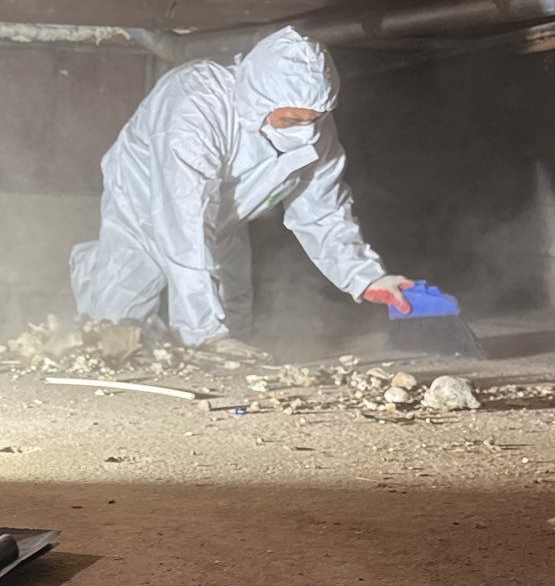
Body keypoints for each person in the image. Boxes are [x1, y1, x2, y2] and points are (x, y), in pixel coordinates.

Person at [70, 24, 413, 355]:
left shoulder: (313, 123)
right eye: (292, 121)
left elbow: (323, 210)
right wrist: (202, 333)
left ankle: (214, 366)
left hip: (229, 213)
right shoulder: (196, 103)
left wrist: (366, 278)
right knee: (115, 329)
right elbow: (183, 220)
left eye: (316, 118)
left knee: (233, 316)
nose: (306, 132)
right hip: (146, 204)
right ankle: (97, 272)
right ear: (258, 100)